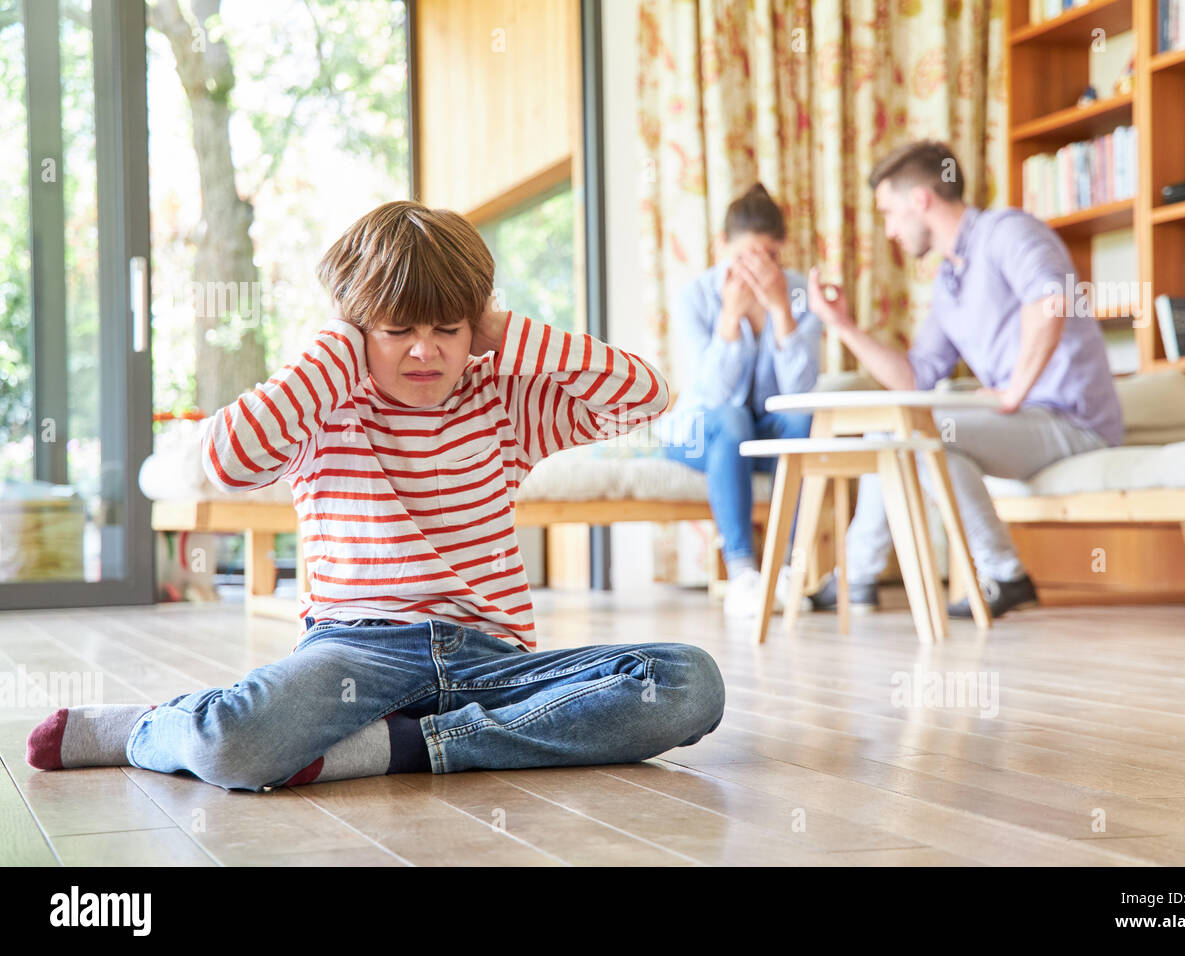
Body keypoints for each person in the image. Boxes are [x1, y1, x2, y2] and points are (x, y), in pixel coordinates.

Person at [26, 201, 725, 790]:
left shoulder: (503, 403)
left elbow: (647, 397)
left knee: (688, 684)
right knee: (230, 747)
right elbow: (222, 462)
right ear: (358, 329)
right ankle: (146, 726)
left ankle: (399, 749)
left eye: (447, 330)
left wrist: (505, 332)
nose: (425, 353)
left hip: (494, 659)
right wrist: (331, 356)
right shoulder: (324, 403)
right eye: (397, 332)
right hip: (353, 655)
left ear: (473, 324)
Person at [805, 141, 1123, 618]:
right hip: (1025, 424)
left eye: (890, 213)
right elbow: (913, 376)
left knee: (909, 432)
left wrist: (1015, 389)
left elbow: (1051, 299)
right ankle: (875, 579)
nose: (889, 230)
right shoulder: (949, 280)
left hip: (1071, 422)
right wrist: (843, 326)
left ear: (921, 200)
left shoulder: (1007, 231)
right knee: (908, 433)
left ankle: (869, 577)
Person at [660, 183, 824, 618]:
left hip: (765, 435)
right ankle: (743, 575)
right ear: (721, 247)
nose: (758, 270)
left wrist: (780, 312)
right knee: (731, 417)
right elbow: (711, 395)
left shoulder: (796, 294)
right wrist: (730, 318)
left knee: (806, 420)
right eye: (746, 257)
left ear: (782, 252)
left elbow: (800, 394)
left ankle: (789, 571)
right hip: (701, 432)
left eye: (769, 257)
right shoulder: (696, 296)